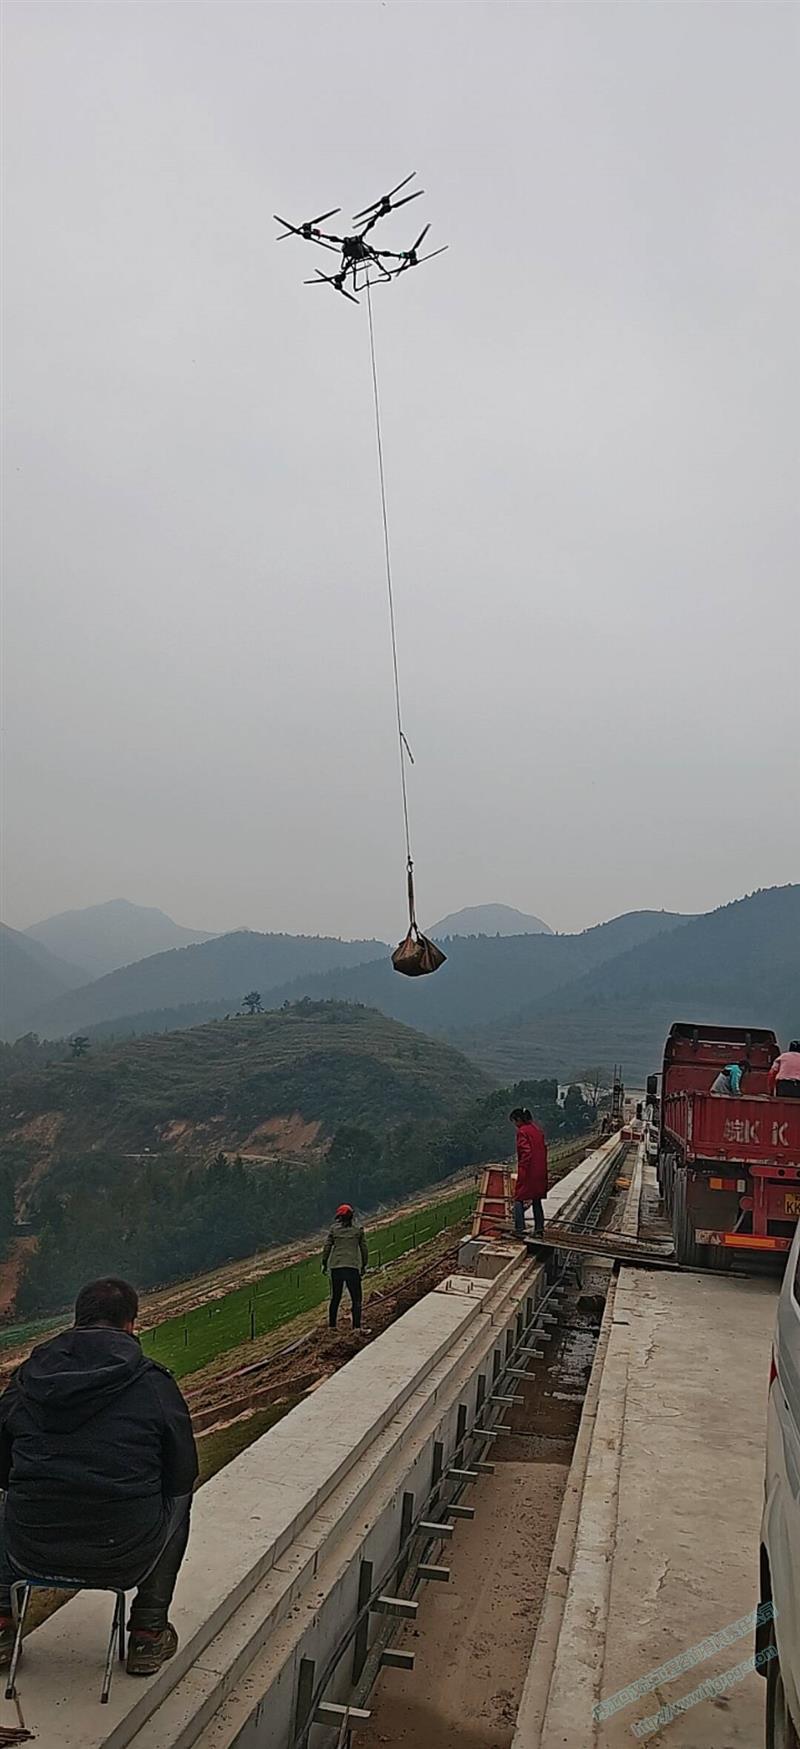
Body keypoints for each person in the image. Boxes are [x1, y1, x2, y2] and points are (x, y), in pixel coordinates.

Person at [0, 1277, 197, 1678]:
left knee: (5, 1500)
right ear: (130, 1324)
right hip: (125, 1552)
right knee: (179, 1500)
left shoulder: (26, 1382)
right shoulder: (152, 1383)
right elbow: (182, 1473)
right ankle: (148, 1632)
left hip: (30, 1547)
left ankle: (1, 1624)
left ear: (77, 1320)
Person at [322, 1204, 368, 1332]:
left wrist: (324, 1263)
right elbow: (364, 1249)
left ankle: (332, 1326)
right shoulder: (358, 1230)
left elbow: (327, 1248)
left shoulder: (333, 1230)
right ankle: (356, 1327)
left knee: (335, 1297)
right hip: (352, 1267)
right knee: (356, 1298)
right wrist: (363, 1265)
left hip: (336, 1267)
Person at [509, 1108, 548, 1239]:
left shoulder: (522, 1132)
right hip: (540, 1169)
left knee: (519, 1198)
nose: (515, 1125)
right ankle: (539, 1229)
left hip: (528, 1170)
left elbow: (526, 1152)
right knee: (536, 1199)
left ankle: (519, 1228)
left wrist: (522, 1168)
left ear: (519, 1120)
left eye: (515, 1121)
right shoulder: (537, 1130)